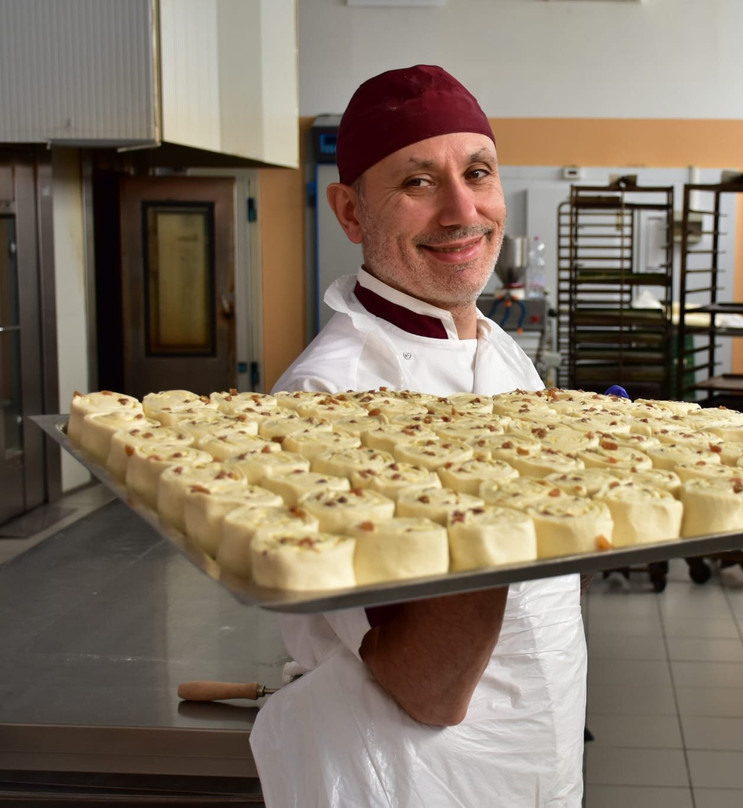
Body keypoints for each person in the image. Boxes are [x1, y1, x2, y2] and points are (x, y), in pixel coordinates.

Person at [249, 65, 587, 807]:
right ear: (349, 212)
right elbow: (425, 687)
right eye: (418, 182)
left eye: (478, 173)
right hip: (403, 776)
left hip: (541, 754)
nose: (463, 211)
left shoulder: (497, 347)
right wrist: (519, 496)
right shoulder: (324, 403)